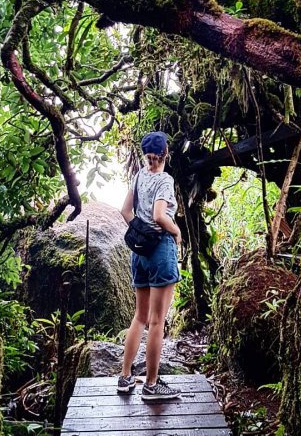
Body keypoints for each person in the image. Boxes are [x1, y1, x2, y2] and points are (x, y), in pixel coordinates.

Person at [118, 131, 183, 401]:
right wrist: (176, 231)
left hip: (140, 253)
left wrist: (140, 232)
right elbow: (159, 215)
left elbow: (125, 211)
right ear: (166, 152)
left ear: (146, 154)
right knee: (157, 322)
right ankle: (152, 385)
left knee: (139, 317)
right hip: (160, 251)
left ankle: (125, 377)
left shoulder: (138, 175)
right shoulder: (164, 180)